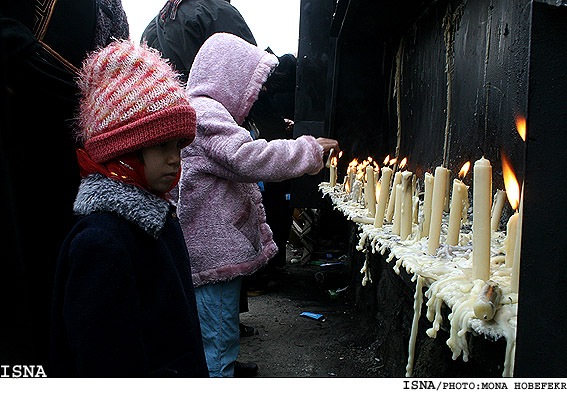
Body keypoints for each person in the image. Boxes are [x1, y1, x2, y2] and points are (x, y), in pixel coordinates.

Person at [177, 32, 339, 377]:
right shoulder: (206, 113)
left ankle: (224, 364)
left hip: (212, 245)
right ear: (229, 78)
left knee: (218, 324)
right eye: (253, 83)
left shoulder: (201, 109)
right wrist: (308, 150)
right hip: (212, 250)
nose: (258, 93)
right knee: (215, 332)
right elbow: (248, 157)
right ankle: (219, 374)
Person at [49, 40, 208, 377]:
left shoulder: (155, 219)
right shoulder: (101, 243)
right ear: (124, 152)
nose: (174, 158)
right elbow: (105, 362)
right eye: (160, 145)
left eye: (178, 145)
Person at [1, 0, 129, 369]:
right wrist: (19, 49)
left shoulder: (109, 8)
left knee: (61, 271)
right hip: (18, 134)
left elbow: (116, 55)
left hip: (74, 147)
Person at [141, 0, 256, 83]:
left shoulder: (152, 27)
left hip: (176, 113)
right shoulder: (216, 10)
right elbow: (252, 73)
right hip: (216, 113)